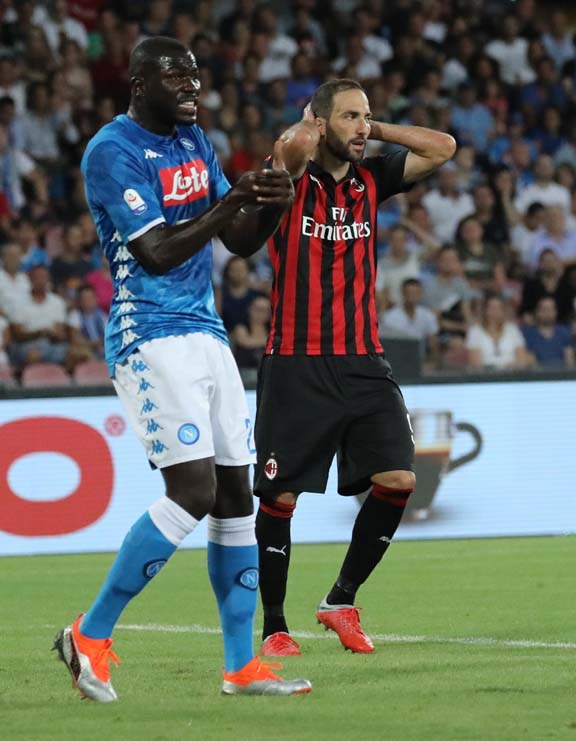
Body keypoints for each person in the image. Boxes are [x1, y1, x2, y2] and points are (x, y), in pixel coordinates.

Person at [53, 37, 311, 702]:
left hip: (205, 334)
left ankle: (239, 666)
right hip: (149, 334)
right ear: (138, 84)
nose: (192, 84)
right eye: (176, 73)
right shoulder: (114, 149)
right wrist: (232, 202)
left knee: (235, 501)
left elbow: (238, 240)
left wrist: (275, 196)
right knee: (192, 490)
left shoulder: (194, 141)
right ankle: (90, 632)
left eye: (196, 73)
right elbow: (158, 252)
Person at [253, 79, 455, 657]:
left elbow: (442, 147)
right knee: (281, 497)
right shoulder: (291, 176)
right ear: (318, 121)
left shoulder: (372, 178)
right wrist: (313, 129)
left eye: (365, 116)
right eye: (349, 116)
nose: (362, 126)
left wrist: (371, 128)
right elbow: (289, 148)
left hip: (365, 361)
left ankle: (340, 600)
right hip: (296, 362)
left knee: (399, 481)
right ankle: (274, 627)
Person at [466, 294, 533, 370]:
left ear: (503, 310)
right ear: (485, 310)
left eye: (498, 308)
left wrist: (514, 366)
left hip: (511, 375)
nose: (495, 311)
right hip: (485, 377)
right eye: (492, 307)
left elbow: (522, 358)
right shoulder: (475, 331)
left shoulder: (513, 329)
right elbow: (475, 363)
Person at [522, 296, 574, 369]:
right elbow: (532, 363)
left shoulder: (563, 332)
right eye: (544, 309)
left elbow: (569, 360)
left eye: (550, 309)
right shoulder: (528, 334)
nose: (547, 313)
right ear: (537, 312)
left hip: (562, 376)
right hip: (539, 377)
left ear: (556, 312)